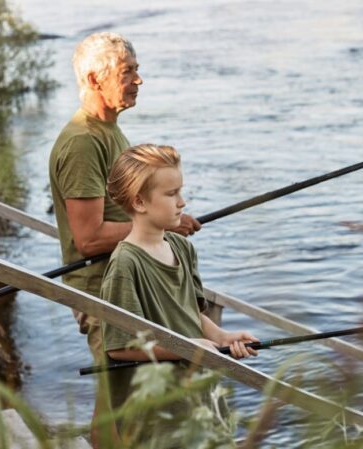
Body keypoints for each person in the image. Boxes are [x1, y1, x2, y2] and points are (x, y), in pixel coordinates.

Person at [48, 32, 201, 447]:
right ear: (96, 80)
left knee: (112, 403)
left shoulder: (108, 131)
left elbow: (125, 212)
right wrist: (167, 225)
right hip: (103, 290)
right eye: (127, 71)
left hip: (126, 282)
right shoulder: (82, 143)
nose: (138, 80)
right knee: (120, 404)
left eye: (137, 70)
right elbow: (89, 237)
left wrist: (167, 220)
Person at [101, 144, 258, 441]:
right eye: (171, 194)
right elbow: (120, 346)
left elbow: (190, 314)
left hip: (201, 400)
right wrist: (187, 347)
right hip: (160, 418)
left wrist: (222, 338)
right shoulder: (125, 263)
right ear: (139, 202)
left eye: (180, 192)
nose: (182, 202)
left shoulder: (183, 248)